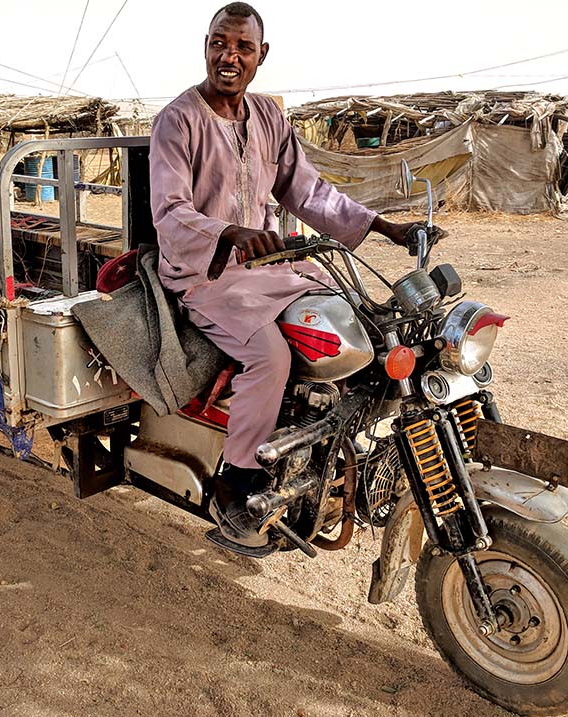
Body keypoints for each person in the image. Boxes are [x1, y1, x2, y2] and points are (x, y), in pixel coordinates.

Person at [149, 2, 424, 549]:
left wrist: (384, 228)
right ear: (205, 45)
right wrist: (228, 234)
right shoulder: (177, 120)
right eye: (219, 44)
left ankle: (331, 441)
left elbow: (308, 191)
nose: (229, 57)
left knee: (357, 320)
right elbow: (170, 210)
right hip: (207, 274)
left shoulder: (271, 118)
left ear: (261, 56)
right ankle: (237, 479)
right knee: (269, 355)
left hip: (273, 267)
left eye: (242, 47)